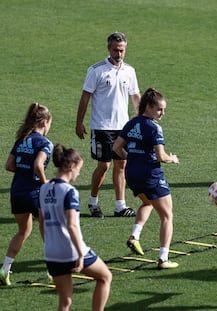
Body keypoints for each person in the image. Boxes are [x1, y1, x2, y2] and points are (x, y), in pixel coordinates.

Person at [76, 31, 141, 218]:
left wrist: (141, 119)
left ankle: (120, 206)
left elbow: (135, 97)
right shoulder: (96, 70)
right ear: (108, 49)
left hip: (123, 127)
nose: (119, 54)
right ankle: (92, 202)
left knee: (121, 164)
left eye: (121, 50)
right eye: (115, 50)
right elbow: (85, 97)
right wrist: (79, 122)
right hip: (102, 126)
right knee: (104, 165)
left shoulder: (130, 71)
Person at [39, 144, 112, 311]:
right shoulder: (69, 191)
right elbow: (71, 225)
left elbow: (42, 222)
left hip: (51, 253)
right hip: (71, 250)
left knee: (65, 302)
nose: (79, 173)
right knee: (105, 277)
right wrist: (80, 255)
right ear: (71, 166)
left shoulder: (43, 189)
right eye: (79, 169)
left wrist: (48, 246)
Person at [113, 88, 179, 270]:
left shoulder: (131, 123)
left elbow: (117, 147)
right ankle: (163, 258)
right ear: (148, 107)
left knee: (148, 203)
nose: (162, 114)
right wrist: (172, 158)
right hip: (150, 175)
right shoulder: (154, 128)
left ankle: (134, 237)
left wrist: (133, 157)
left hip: (132, 174)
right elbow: (160, 156)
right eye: (159, 110)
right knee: (167, 216)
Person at [0, 102, 53, 286]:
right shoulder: (45, 143)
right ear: (45, 122)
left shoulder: (22, 139)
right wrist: (45, 183)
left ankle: (5, 268)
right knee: (49, 231)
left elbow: (9, 165)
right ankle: (51, 271)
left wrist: (23, 171)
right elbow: (38, 165)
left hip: (17, 192)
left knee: (23, 231)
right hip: (35, 193)